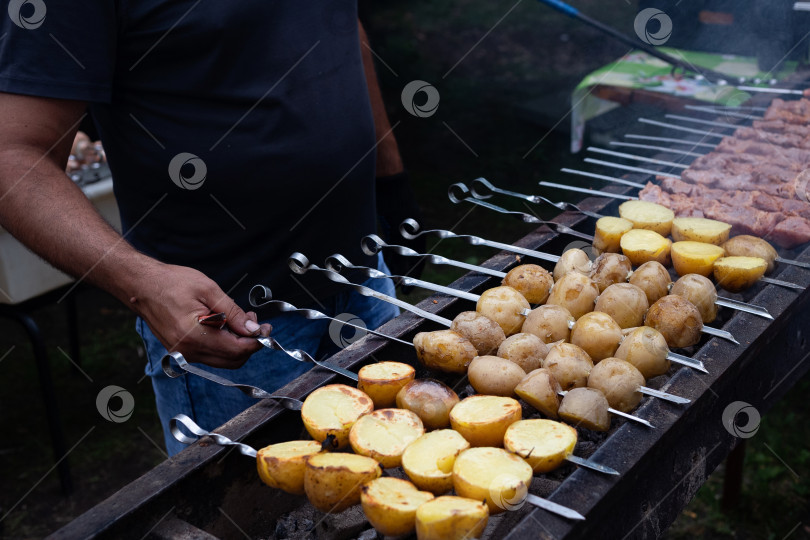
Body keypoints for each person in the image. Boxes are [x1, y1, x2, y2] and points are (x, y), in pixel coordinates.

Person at [0, 2, 422, 455]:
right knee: (257, 515)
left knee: (397, 490)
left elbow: (341, 23)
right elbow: (13, 156)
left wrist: (392, 187)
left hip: (365, 278)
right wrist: (141, 282)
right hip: (234, 330)